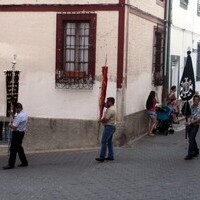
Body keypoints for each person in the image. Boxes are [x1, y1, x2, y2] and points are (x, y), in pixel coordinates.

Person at [3, 103, 28, 169]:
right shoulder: (24, 113)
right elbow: (17, 119)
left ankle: (11, 165)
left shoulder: (19, 116)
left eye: (15, 109)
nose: (15, 110)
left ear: (18, 108)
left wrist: (9, 125)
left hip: (17, 133)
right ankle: (24, 162)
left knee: (13, 149)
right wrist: (13, 115)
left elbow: (14, 126)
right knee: (19, 148)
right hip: (21, 132)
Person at [95, 97, 116, 162]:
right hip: (111, 126)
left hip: (109, 127)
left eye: (107, 102)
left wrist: (100, 121)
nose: (106, 103)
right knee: (109, 142)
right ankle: (110, 156)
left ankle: (102, 157)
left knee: (104, 142)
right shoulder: (111, 108)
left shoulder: (111, 110)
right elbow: (106, 106)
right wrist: (103, 104)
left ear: (110, 102)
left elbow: (106, 119)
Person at [185, 95, 200, 160]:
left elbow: (198, 119)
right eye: (194, 99)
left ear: (199, 101)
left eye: (196, 100)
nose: (195, 101)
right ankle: (196, 150)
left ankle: (190, 154)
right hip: (189, 125)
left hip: (195, 125)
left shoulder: (199, 108)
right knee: (192, 139)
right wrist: (186, 121)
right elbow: (188, 115)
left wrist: (190, 122)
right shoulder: (191, 107)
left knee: (191, 139)